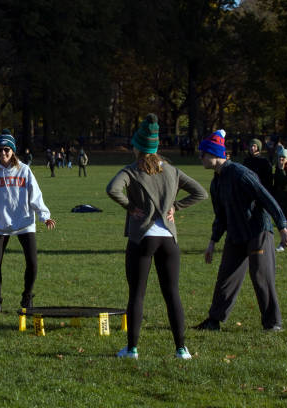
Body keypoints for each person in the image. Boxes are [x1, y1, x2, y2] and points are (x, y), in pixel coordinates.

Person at [107, 113, 207, 360]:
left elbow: (112, 189)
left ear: (137, 147)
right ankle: (181, 349)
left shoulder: (132, 170)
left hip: (143, 237)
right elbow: (200, 192)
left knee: (137, 294)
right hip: (169, 239)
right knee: (172, 293)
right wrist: (176, 207)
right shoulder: (172, 170)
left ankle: (132, 349)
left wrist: (130, 207)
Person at [194, 129, 287, 333]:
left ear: (215, 154)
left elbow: (266, 198)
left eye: (203, 154)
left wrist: (283, 227)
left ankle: (273, 323)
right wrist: (213, 242)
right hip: (236, 234)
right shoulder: (216, 182)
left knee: (261, 276)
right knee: (226, 276)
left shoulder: (241, 174)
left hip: (258, 231)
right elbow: (221, 216)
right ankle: (214, 321)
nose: (201, 158)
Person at [0, 130, 56, 314]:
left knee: (32, 263)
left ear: (13, 151)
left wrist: (44, 216)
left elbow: (36, 195)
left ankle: (27, 297)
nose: (3, 153)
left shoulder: (24, 170)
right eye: (0, 150)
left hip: (24, 221)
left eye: (7, 150)